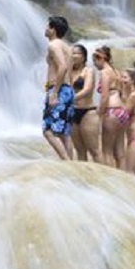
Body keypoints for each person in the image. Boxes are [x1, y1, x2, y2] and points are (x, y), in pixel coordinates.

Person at [42, 16, 75, 160]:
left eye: (48, 26)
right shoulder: (67, 47)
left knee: (48, 131)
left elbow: (62, 67)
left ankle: (67, 164)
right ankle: (71, 166)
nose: (45, 28)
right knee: (64, 134)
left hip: (59, 90)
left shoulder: (54, 45)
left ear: (53, 29)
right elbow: (70, 71)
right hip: (67, 90)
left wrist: (54, 92)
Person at [93, 46, 126, 168]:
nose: (95, 65)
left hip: (111, 111)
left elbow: (104, 96)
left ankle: (111, 184)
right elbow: (122, 92)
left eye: (94, 61)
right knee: (120, 153)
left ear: (100, 59)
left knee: (107, 152)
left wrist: (100, 113)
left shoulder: (105, 72)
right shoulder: (116, 72)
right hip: (122, 111)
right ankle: (124, 181)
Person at [69, 44, 101, 163]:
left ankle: (104, 177)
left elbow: (87, 89)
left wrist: (70, 99)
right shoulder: (68, 71)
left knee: (94, 150)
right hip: (72, 112)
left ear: (83, 57)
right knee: (79, 150)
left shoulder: (89, 71)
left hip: (88, 111)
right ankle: (85, 179)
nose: (73, 55)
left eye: (76, 53)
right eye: (71, 53)